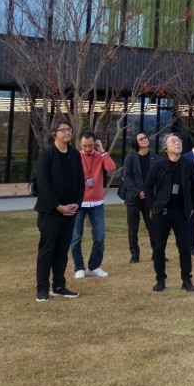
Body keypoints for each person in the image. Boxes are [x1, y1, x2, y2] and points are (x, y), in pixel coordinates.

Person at [34, 120, 85, 302]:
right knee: (47, 250)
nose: (67, 132)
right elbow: (43, 184)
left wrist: (76, 203)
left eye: (69, 129)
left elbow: (81, 181)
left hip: (69, 211)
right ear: (54, 133)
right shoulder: (47, 154)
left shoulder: (74, 154)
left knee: (62, 251)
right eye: (62, 130)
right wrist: (58, 206)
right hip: (50, 212)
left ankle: (59, 286)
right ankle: (42, 289)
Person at [144, 134, 194, 292]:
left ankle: (186, 280)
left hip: (181, 212)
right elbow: (147, 186)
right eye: (173, 141)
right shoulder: (159, 165)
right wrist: (153, 205)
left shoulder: (188, 164)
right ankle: (160, 280)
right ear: (166, 147)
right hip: (162, 211)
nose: (178, 143)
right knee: (159, 248)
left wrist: (192, 206)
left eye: (179, 141)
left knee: (184, 247)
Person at [70, 131, 117, 279]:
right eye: (84, 146)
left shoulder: (100, 156)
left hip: (97, 203)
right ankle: (79, 267)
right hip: (79, 203)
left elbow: (112, 168)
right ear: (80, 144)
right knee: (76, 237)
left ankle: (93, 266)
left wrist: (102, 151)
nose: (87, 149)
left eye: (90, 145)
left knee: (99, 236)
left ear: (95, 143)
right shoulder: (75, 157)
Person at [120, 131, 155, 264]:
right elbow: (127, 177)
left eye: (145, 137)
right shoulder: (130, 158)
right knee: (133, 229)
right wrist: (138, 192)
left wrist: (149, 192)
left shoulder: (155, 158)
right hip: (133, 198)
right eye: (141, 139)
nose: (145, 139)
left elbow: (158, 177)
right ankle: (135, 255)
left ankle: (157, 253)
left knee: (153, 227)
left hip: (149, 199)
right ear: (136, 143)